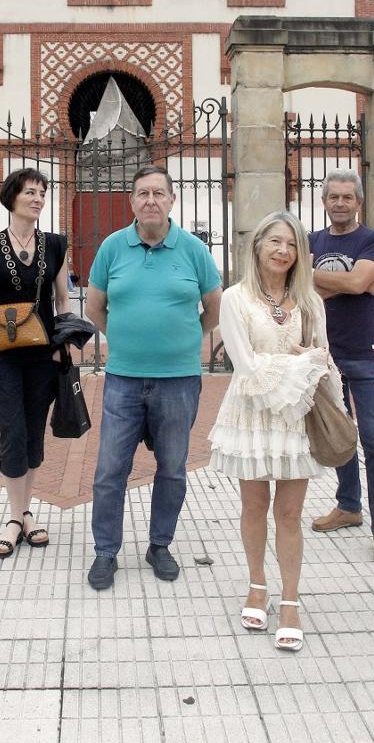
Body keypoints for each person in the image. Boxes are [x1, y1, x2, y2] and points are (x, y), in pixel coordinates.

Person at [85, 165, 222, 590]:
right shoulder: (111, 247)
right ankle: (106, 551)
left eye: (158, 193)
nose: (150, 200)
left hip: (179, 380)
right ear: (131, 202)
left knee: (173, 468)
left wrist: (183, 341)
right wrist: (126, 340)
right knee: (110, 469)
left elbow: (215, 309)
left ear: (171, 201)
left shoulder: (194, 250)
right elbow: (94, 308)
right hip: (124, 379)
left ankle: (159, 544)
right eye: (142, 193)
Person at [209, 210, 341, 651]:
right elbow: (244, 364)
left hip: (297, 414)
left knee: (289, 513)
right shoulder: (235, 298)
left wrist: (317, 371)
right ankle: (257, 584)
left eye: (291, 245)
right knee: (253, 505)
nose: (283, 251)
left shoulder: (310, 300)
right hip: (251, 413)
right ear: (258, 247)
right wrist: (301, 362)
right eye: (275, 242)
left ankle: (290, 600)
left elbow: (324, 357)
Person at [0, 167, 71, 557]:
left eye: (42, 193)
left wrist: (64, 344)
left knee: (32, 433)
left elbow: (63, 301)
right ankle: (15, 519)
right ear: (11, 198)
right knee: (12, 432)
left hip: (44, 356)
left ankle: (24, 513)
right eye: (30, 192)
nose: (38, 198)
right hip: (3, 359)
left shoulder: (56, 245)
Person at [308, 169, 374, 565]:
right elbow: (294, 285)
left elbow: (361, 283)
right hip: (324, 351)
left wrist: (317, 279)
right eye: (334, 197)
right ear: (324, 201)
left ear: (358, 201)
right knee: (339, 435)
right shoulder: (312, 240)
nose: (341, 203)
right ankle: (348, 505)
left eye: (348, 197)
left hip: (366, 350)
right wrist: (351, 280)